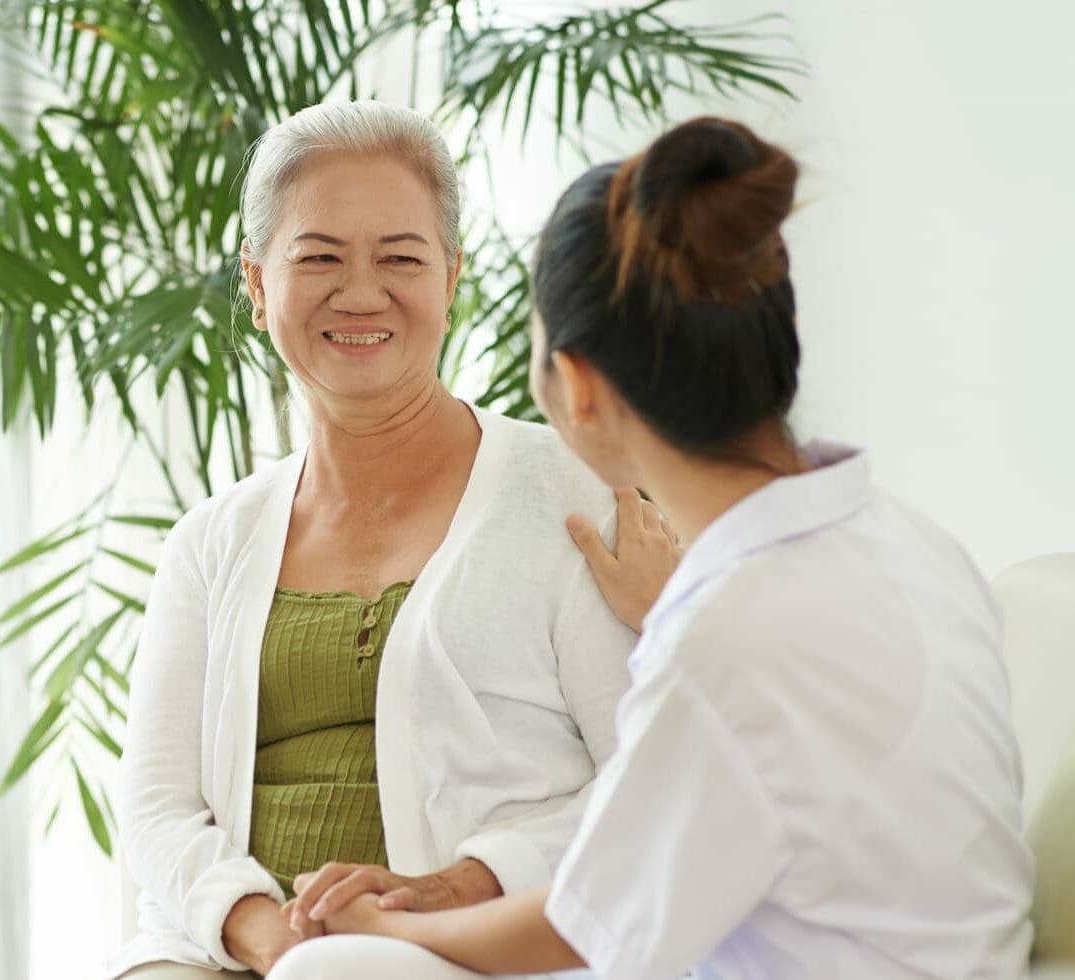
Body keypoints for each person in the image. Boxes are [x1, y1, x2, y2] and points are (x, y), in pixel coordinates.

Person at [291, 117, 1036, 978]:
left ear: (577, 387)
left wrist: (383, 933)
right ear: (777, 325)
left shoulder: (731, 638)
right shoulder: (908, 543)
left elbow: (582, 929)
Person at [106, 100, 663, 980]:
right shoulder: (211, 540)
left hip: (483, 949)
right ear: (257, 286)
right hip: (231, 956)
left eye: (399, 258)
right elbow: (154, 809)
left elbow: (650, 778)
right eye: (318, 257)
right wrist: (261, 932)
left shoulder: (578, 496)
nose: (359, 293)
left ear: (450, 279)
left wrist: (450, 890)